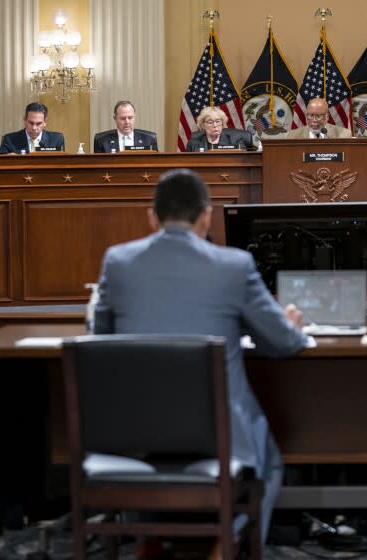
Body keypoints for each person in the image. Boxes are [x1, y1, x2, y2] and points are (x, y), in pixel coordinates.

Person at [95, 169, 308, 556]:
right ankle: (225, 546)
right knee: (272, 462)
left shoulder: (117, 262)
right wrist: (290, 322)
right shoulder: (234, 265)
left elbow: (100, 337)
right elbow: (282, 342)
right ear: (207, 216)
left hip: (136, 431)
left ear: (152, 217)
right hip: (218, 433)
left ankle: (152, 540)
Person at [0, 102, 65, 154]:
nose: (34, 128)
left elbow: (62, 163)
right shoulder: (9, 140)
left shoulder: (57, 139)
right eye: (31, 123)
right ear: (25, 120)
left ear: (45, 122)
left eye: (38, 124)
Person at [93, 100, 158, 153]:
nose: (127, 122)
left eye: (130, 118)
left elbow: (155, 164)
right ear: (115, 118)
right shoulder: (101, 140)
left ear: (135, 117)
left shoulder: (149, 139)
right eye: (123, 118)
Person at [186, 106, 260, 152]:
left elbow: (242, 161)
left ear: (222, 123)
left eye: (218, 121)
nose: (215, 125)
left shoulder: (235, 140)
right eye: (210, 122)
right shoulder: (193, 144)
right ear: (203, 125)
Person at [285, 97, 352, 139]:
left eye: (318, 116)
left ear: (327, 117)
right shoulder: (291, 136)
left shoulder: (343, 135)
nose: (314, 120)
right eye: (310, 115)